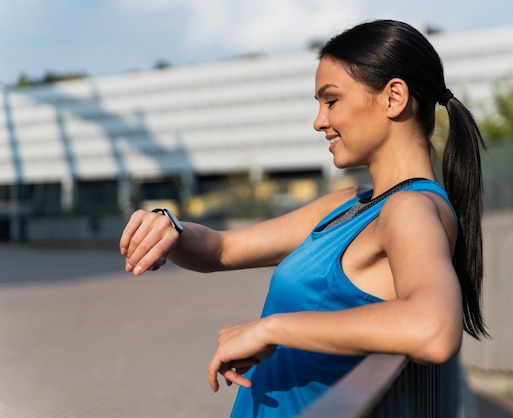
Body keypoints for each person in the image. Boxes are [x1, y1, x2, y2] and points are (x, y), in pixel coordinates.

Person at [120, 19, 488, 417]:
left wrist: (272, 329)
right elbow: (221, 249)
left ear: (393, 97)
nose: (319, 121)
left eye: (331, 101)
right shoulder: (349, 204)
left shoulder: (410, 208)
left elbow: (433, 328)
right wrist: (169, 226)